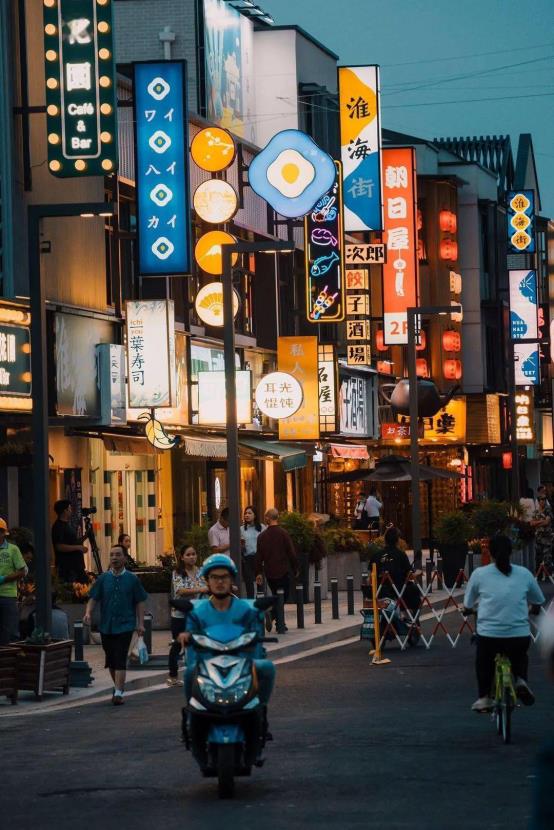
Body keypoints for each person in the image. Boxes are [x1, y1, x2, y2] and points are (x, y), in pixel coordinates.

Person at [178, 554, 275, 765]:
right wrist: (185, 636)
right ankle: (192, 716)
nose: (220, 581)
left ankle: (260, 711)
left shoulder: (246, 608)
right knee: (188, 673)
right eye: (215, 577)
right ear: (207, 580)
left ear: (232, 580)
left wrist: (258, 630)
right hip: (208, 662)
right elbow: (190, 631)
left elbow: (255, 628)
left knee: (266, 667)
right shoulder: (198, 610)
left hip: (241, 661)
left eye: (224, 577)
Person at [463, 534, 545, 713]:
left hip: (489, 635)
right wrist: (532, 609)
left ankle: (484, 697)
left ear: (490, 553)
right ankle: (521, 680)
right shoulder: (524, 573)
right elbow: (538, 600)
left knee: (483, 661)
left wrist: (469, 609)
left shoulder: (479, 574)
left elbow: (467, 604)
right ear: (511, 552)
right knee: (520, 655)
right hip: (519, 634)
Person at [83, 545, 147, 706]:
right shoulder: (103, 579)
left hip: (126, 625)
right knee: (111, 660)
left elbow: (140, 601)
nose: (114, 558)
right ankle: (117, 686)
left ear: (125, 558)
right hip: (107, 626)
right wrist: (88, 613)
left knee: (120, 657)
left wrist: (140, 624)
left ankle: (118, 692)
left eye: (118, 555)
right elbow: (93, 598)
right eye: (111, 555)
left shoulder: (132, 579)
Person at [167, 545, 207, 687]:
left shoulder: (201, 571)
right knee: (178, 644)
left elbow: (210, 585)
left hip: (197, 613)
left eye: (193, 554)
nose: (192, 557)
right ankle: (173, 676)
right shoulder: (177, 572)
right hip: (180, 614)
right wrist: (200, 589)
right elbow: (180, 590)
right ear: (182, 557)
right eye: (188, 554)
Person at [254, 508, 298, 632]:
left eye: (265, 517)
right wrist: (295, 568)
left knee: (276, 595)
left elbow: (259, 556)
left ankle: (279, 621)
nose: (264, 519)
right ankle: (276, 618)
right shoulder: (284, 533)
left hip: (269, 572)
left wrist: (258, 572)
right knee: (283, 597)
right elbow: (291, 552)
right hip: (283, 570)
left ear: (268, 518)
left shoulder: (262, 536)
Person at [368, 526, 420, 618]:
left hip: (380, 591)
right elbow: (409, 575)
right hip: (398, 590)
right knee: (413, 590)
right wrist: (418, 573)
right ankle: (410, 618)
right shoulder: (401, 555)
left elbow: (370, 578)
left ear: (385, 540)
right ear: (397, 540)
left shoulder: (376, 556)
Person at [0, 518, 26, 645]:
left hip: (8, 595)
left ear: (3, 533)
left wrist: (4, 579)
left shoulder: (12, 549)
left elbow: (22, 571)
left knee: (9, 633)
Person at [51, 499, 87, 583]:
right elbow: (59, 546)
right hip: (67, 567)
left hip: (76, 565)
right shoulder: (58, 526)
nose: (71, 511)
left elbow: (73, 542)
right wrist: (79, 547)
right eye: (70, 508)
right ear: (65, 511)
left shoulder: (67, 524)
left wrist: (86, 536)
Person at [241, 506, 266, 598]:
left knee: (260, 583)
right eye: (245, 513)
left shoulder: (262, 528)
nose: (247, 515)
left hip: (259, 558)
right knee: (249, 584)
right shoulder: (241, 529)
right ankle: (250, 604)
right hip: (247, 559)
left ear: (255, 515)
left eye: (249, 513)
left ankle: (260, 604)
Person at [531, 495, 553, 575]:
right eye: (541, 499)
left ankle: (549, 575)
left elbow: (547, 522)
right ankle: (539, 575)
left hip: (547, 538)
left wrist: (537, 523)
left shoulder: (548, 510)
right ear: (538, 501)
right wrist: (541, 521)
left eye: (544, 499)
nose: (542, 501)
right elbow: (532, 523)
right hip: (538, 537)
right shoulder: (536, 511)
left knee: (547, 557)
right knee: (538, 557)